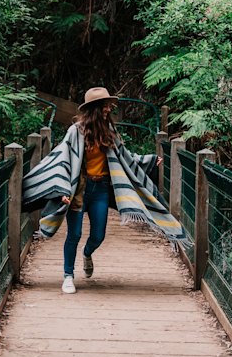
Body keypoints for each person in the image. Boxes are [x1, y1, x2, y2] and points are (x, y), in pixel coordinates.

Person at [22, 86, 186, 293]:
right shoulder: (75, 132)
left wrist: (150, 161)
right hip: (79, 189)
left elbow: (124, 157)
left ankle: (87, 253)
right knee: (74, 234)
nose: (109, 108)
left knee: (98, 235)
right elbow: (63, 161)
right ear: (94, 108)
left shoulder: (110, 132)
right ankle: (68, 275)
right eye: (105, 105)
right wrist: (62, 190)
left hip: (100, 189)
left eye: (109, 105)